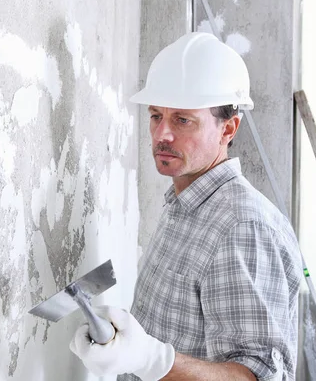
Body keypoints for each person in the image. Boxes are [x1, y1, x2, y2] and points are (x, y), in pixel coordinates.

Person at [69, 32, 303, 381]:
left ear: (229, 128)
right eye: (155, 116)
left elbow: (260, 375)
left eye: (182, 120)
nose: (162, 134)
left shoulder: (241, 227)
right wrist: (125, 342)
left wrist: (150, 359)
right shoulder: (183, 203)